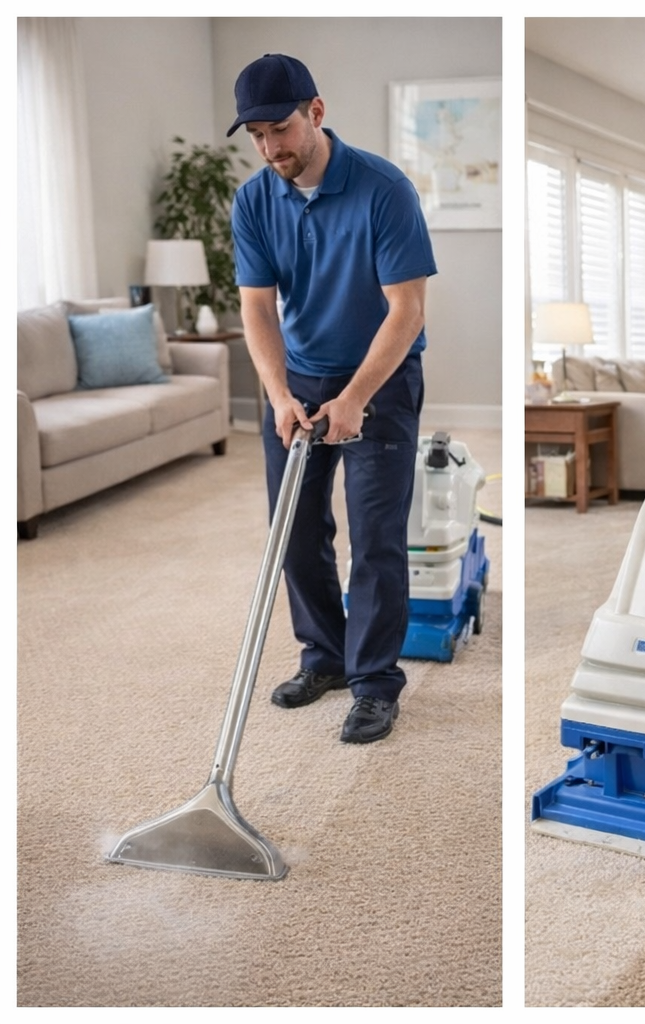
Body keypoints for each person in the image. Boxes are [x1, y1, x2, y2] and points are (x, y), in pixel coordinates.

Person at [229, 53, 437, 743]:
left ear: (316, 113)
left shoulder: (384, 189)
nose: (270, 148)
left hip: (381, 378)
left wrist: (354, 399)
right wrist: (279, 394)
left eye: (280, 129)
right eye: (256, 135)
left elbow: (406, 310)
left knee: (375, 536)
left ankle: (375, 682)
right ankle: (324, 656)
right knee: (294, 527)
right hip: (300, 379)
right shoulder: (255, 200)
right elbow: (256, 309)